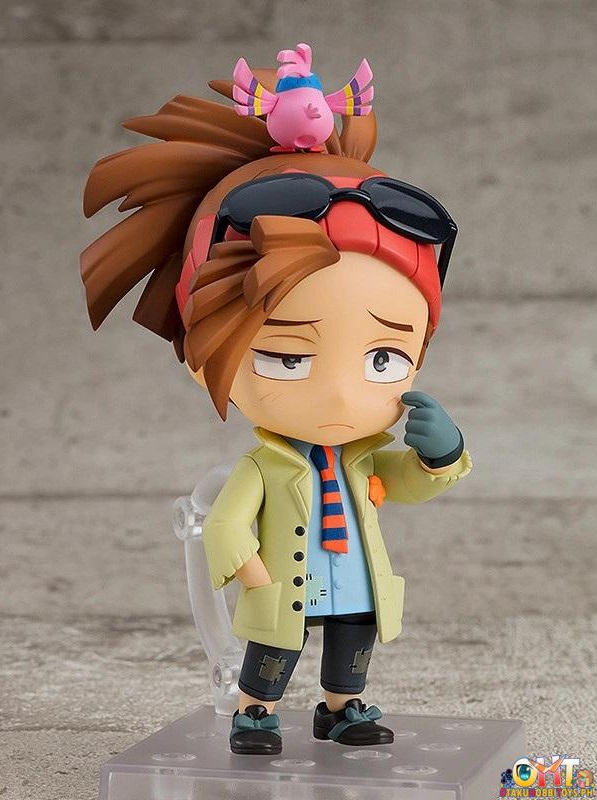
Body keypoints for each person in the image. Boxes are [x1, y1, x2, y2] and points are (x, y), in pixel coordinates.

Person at [81, 55, 472, 756]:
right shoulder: (263, 468)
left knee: (351, 643)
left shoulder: (362, 459)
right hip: (285, 584)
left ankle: (342, 707)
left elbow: (408, 483)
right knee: (273, 650)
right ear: (204, 355)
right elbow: (227, 520)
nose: (341, 394)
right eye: (288, 357)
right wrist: (249, 567)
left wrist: (440, 453)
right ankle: (255, 711)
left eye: (384, 359)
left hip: (353, 580)